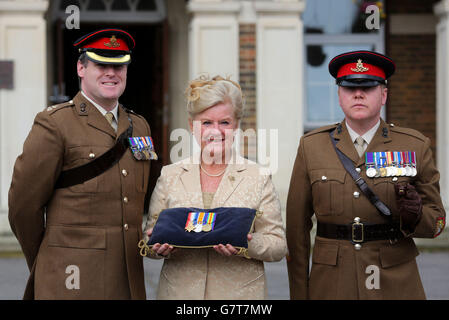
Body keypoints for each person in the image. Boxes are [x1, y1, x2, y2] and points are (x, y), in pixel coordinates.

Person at [286, 50, 446, 300]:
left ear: (383, 94)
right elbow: (296, 232)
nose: (358, 94)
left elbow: (437, 223)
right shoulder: (312, 146)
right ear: (339, 95)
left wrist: (415, 218)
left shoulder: (414, 145)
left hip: (394, 282)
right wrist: (299, 293)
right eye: (349, 88)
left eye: (368, 87)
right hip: (331, 282)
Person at [8, 29, 155, 299]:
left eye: (119, 65)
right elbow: (23, 206)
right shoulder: (55, 123)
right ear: (81, 68)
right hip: (72, 280)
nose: (112, 72)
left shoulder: (140, 126)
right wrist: (48, 257)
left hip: (128, 279)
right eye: (101, 64)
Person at [143, 75, 287, 300]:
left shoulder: (258, 177)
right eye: (207, 122)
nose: (216, 132)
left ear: (237, 125)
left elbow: (278, 245)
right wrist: (158, 247)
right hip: (180, 296)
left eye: (225, 122)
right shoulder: (170, 175)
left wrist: (245, 244)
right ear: (192, 126)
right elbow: (149, 240)